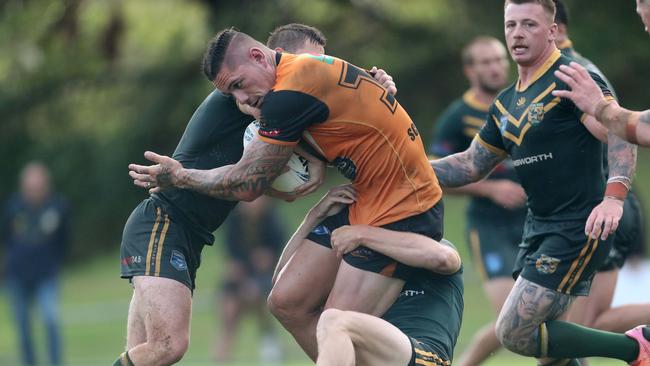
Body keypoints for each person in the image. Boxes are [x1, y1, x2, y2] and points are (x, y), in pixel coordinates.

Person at [128, 27, 444, 361]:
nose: (242, 100)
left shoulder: (290, 92)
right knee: (286, 303)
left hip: (404, 210)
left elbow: (249, 184)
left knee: (335, 325)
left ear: (259, 56)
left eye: (238, 85)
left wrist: (180, 176)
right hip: (363, 199)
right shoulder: (305, 75)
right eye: (232, 94)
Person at [430, 1, 646, 365]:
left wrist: (614, 196)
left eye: (529, 24)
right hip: (538, 227)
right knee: (551, 352)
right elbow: (470, 164)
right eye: (511, 24)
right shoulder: (505, 103)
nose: (517, 33)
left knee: (514, 330)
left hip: (579, 224)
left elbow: (618, 131)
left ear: (551, 30)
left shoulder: (571, 78)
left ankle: (636, 348)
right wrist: (404, 167)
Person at [552, 0, 650, 349]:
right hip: (582, 212)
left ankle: (637, 349)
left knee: (563, 330)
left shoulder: (574, 71)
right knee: (570, 330)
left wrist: (599, 106)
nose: (640, 16)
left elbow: (634, 132)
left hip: (599, 210)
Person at [278, 184, 463, 366]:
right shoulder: (360, 260)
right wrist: (315, 215)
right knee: (322, 319)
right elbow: (283, 286)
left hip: (426, 358)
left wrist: (361, 234)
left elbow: (445, 258)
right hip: (378, 356)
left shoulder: (429, 245)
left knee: (334, 320)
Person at [429, 36, 526, 366]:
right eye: (485, 62)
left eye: (499, 59)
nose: (496, 67)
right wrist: (490, 190)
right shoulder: (457, 117)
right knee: (510, 319)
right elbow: (433, 175)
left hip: (537, 221)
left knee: (542, 315)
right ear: (470, 70)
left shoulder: (524, 103)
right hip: (490, 228)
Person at [552, 0, 650, 147]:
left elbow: (638, 132)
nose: (647, 29)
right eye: (511, 24)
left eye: (530, 24)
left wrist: (600, 106)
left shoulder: (576, 71)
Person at [1, 161, 69, 366]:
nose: (35, 190)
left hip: (46, 275)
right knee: (23, 326)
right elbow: (5, 239)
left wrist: (54, 263)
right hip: (16, 276)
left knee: (50, 319)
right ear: (23, 186)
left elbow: (64, 241)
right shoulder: (13, 207)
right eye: (31, 186)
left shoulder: (59, 206)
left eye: (39, 185)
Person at [214, 197, 286, 363]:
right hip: (243, 271)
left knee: (255, 294)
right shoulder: (234, 221)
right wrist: (236, 267)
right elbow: (231, 255)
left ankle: (268, 339)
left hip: (266, 275)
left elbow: (272, 257)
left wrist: (265, 260)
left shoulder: (272, 221)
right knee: (228, 299)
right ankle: (225, 344)